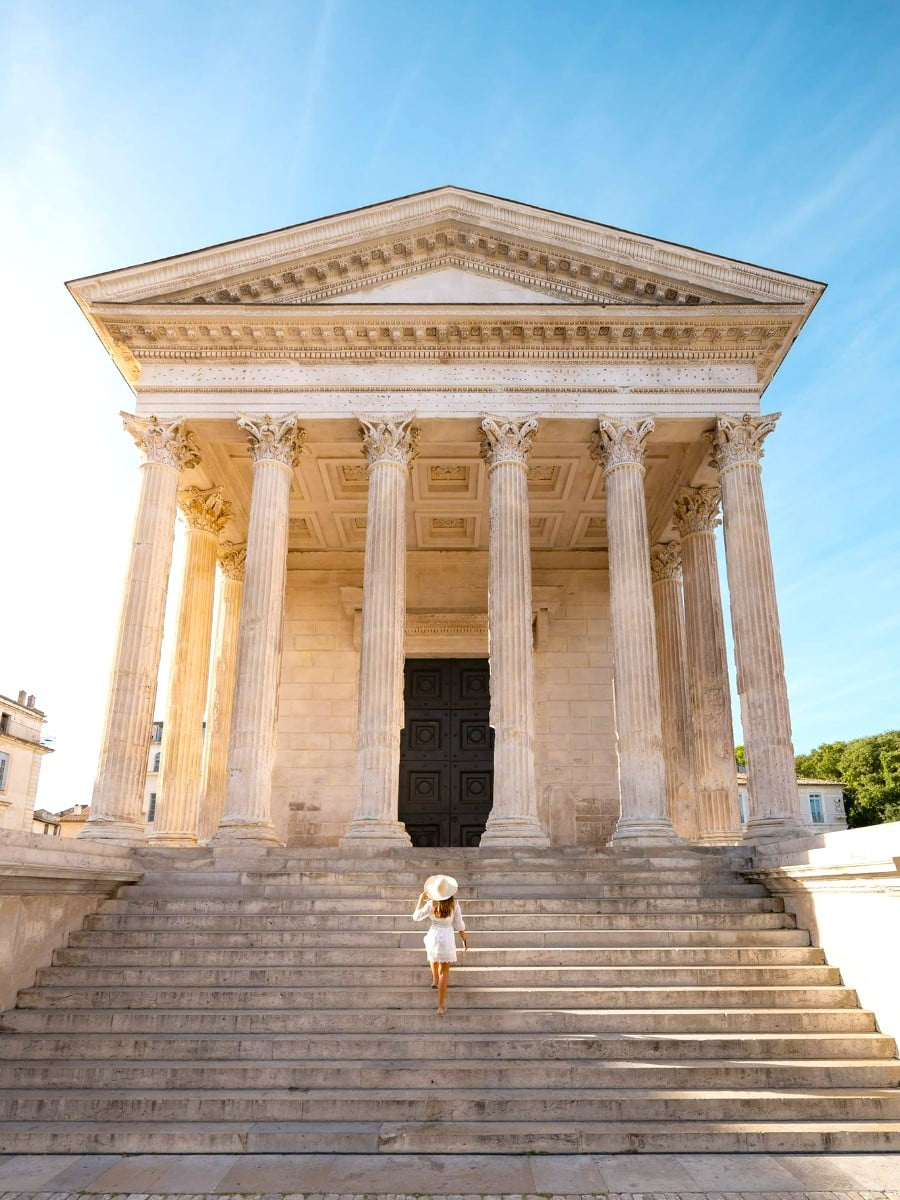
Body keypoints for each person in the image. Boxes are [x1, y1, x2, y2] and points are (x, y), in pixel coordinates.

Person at [412, 873, 467, 1014]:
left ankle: (434, 979)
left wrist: (420, 900)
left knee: (433, 954)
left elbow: (416, 917)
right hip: (447, 935)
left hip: (434, 933)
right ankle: (441, 1006)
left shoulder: (431, 903)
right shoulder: (454, 904)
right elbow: (459, 924)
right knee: (445, 972)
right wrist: (464, 938)